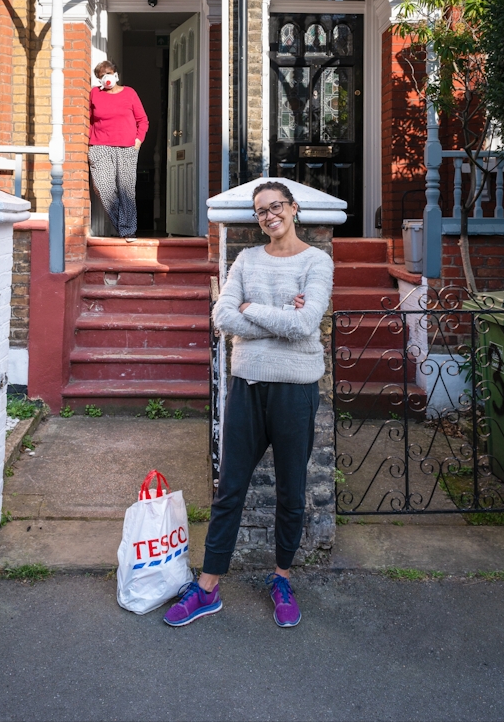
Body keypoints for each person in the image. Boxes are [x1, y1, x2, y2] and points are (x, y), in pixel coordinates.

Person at [163, 181, 333, 629]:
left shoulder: (318, 261)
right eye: (260, 211)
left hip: (295, 389)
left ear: (293, 208)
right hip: (248, 385)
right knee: (230, 489)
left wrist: (252, 307)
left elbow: (306, 323)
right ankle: (207, 588)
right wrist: (281, 316)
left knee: (291, 492)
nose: (268, 215)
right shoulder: (246, 259)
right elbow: (222, 317)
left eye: (275, 206)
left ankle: (281, 579)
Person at [87, 60, 149, 241]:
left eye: (108, 73)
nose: (106, 78)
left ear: (116, 74)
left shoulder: (129, 93)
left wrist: (138, 141)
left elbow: (142, 120)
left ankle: (128, 229)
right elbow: (89, 120)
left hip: (127, 147)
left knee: (126, 190)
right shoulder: (94, 94)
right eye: (101, 76)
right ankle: (123, 225)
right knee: (103, 187)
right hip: (100, 146)